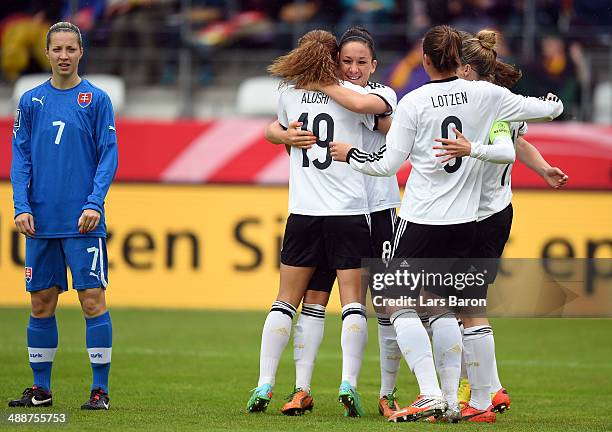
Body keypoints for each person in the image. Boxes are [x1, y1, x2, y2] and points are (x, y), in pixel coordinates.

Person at [328, 24, 563, 423]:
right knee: (451, 306)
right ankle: (457, 400)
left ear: (425, 60)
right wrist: (552, 100)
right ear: (459, 59)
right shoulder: (488, 95)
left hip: (422, 219)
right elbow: (548, 110)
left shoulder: (415, 102)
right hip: (467, 222)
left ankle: (430, 392)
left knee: (394, 301)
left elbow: (386, 164)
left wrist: (350, 153)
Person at [265, 26, 404, 419]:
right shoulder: (331, 97)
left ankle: (387, 392)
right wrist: (282, 133)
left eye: (362, 62)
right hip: (343, 210)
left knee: (389, 305)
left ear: (374, 65)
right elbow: (273, 126)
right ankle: (303, 389)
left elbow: (381, 120)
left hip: (378, 208)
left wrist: (318, 78)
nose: (355, 68)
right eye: (347, 61)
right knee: (318, 299)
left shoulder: (378, 96)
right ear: (336, 61)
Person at [437, 29, 568, 418]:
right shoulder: (502, 99)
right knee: (462, 306)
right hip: (491, 211)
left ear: (465, 67)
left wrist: (469, 148)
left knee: (459, 308)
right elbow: (522, 140)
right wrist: (544, 168)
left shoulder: (487, 104)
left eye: (456, 66)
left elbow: (506, 149)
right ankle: (490, 388)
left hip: (478, 214)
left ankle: (477, 393)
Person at [8, 22, 118, 411]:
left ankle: (99, 391)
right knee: (40, 302)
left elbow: (109, 155)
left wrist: (94, 203)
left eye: (71, 48)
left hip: (83, 220)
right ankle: (41, 390)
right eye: (57, 49)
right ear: (48, 52)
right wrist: (21, 206)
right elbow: (20, 158)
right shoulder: (30, 100)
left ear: (81, 52)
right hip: (40, 220)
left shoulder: (97, 99)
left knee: (92, 299)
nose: (64, 55)